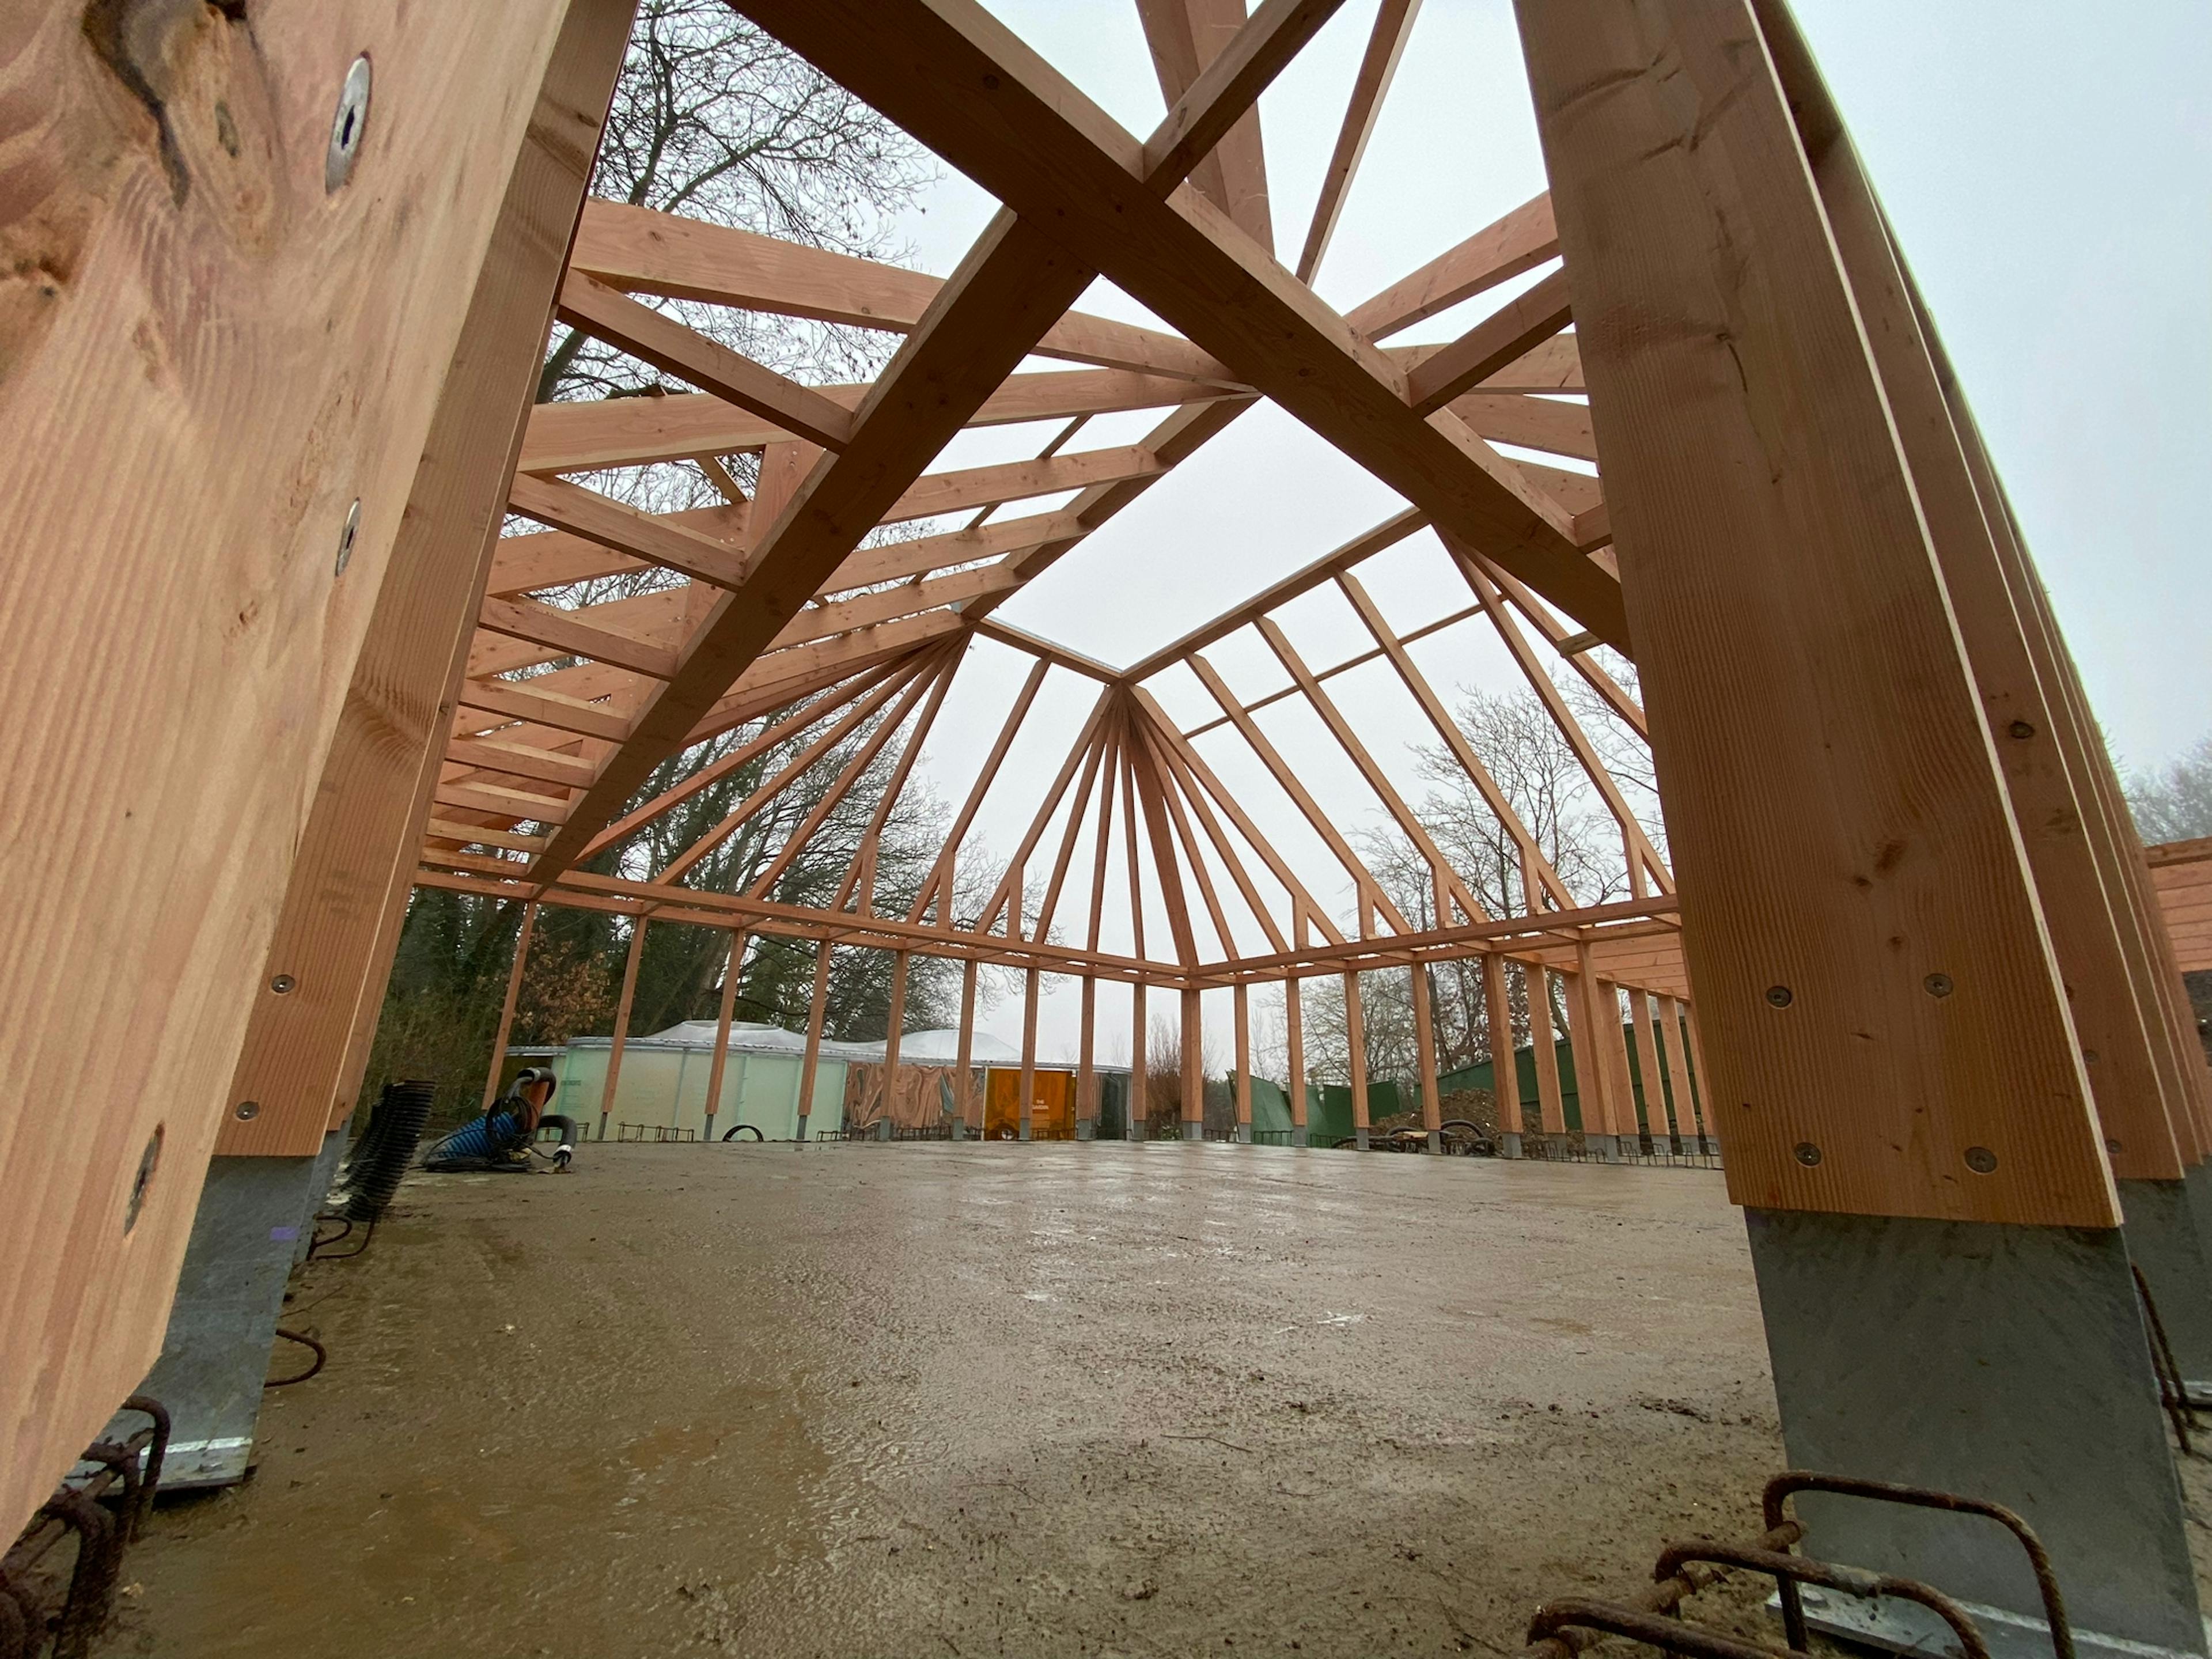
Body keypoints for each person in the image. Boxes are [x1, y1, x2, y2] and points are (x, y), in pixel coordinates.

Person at [421, 1069, 576, 1173]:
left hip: (452, 1151)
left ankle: (561, 1150)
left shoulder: (509, 1126)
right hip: (447, 1153)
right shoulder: (505, 1126)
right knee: (441, 1153)